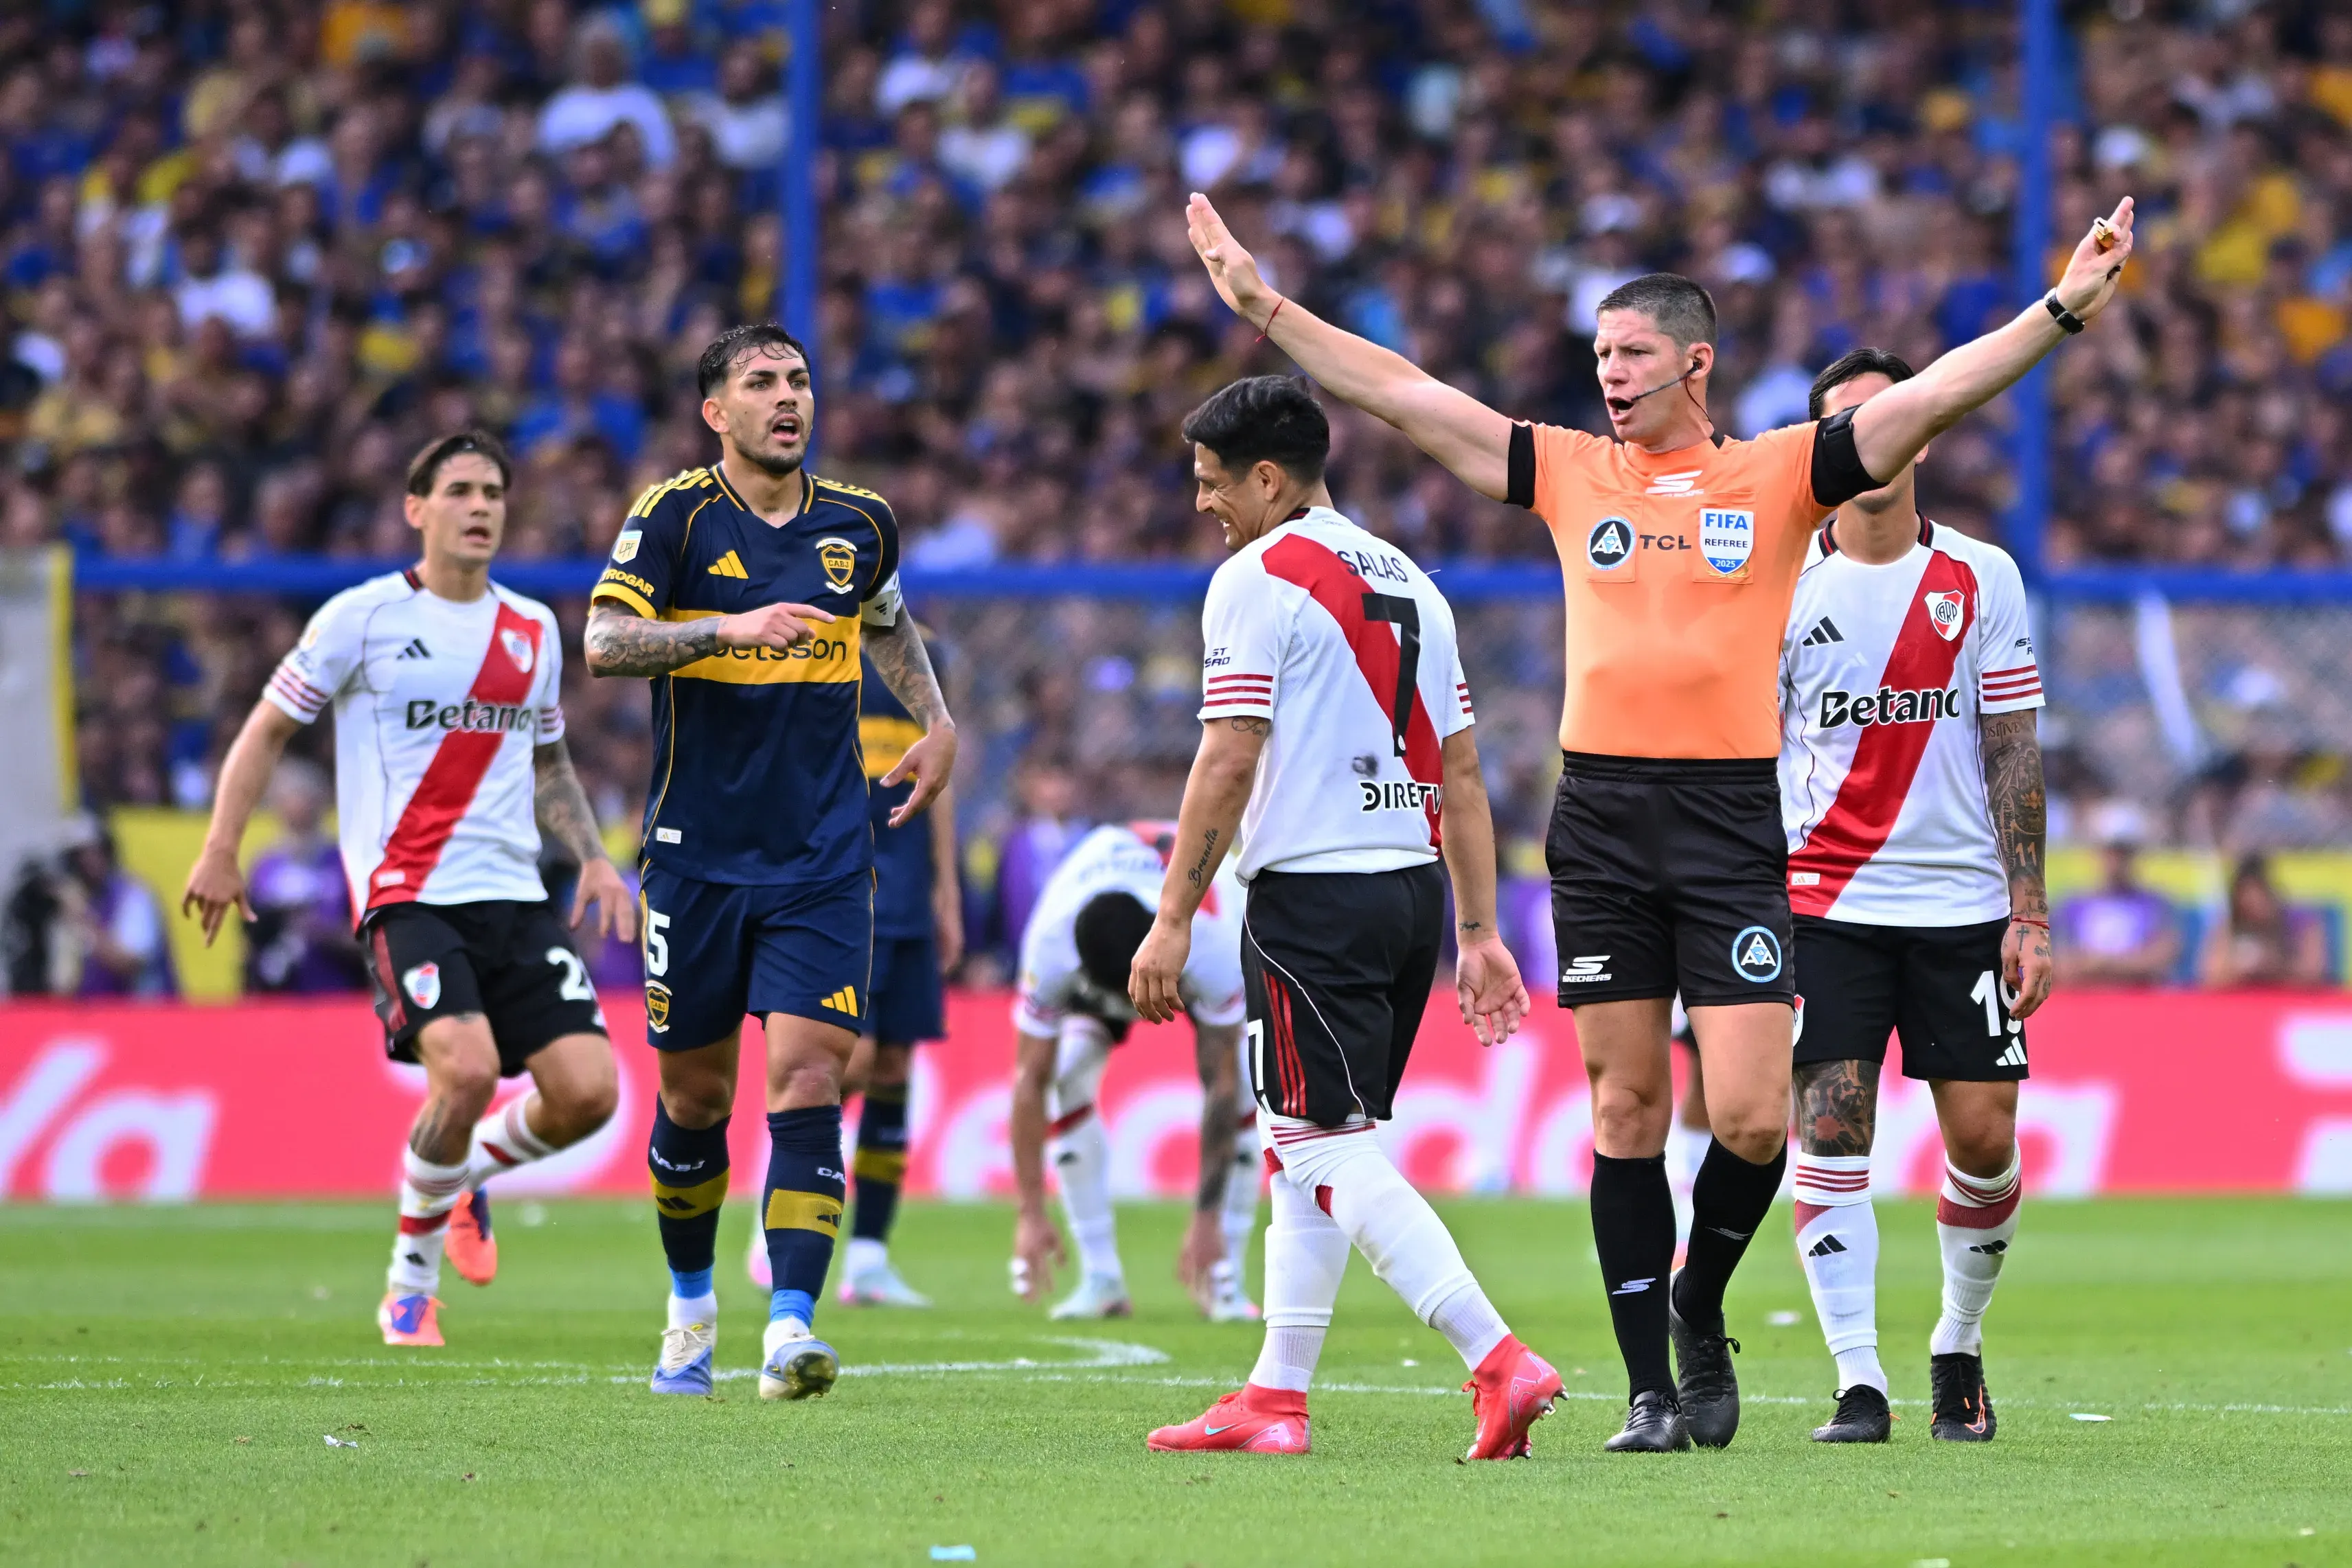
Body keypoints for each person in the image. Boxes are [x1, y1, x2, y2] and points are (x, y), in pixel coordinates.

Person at [1182, 189, 2136, 1452]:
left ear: (1695, 359)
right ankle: (1649, 1388)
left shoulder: (1782, 471)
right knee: (1626, 1112)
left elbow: (1932, 398)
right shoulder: (1575, 470)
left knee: (1752, 1118)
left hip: (1734, 820)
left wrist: (2062, 307)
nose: (1609, 374)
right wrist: (1268, 308)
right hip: (1604, 821)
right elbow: (1405, 396)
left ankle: (1699, 1295)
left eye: (1629, 354)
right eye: (1597, 356)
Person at [1134, 376, 1557, 1461]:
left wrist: (1173, 915)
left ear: (1266, 479)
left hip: (1313, 897)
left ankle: (1497, 1359)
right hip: (1409, 894)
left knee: (1322, 1145)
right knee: (1310, 1148)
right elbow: (1461, 773)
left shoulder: (1256, 577)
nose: (1203, 506)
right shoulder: (1414, 580)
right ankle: (1276, 1397)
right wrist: (1477, 929)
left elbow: (1227, 756)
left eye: (1211, 483)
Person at [182, 431, 632, 1349]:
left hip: (511, 895)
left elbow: (548, 757)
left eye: (494, 492)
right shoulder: (360, 618)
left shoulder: (534, 628)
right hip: (408, 893)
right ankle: (408, 1287)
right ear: (415, 509)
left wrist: (589, 854)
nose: (481, 507)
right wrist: (222, 847)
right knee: (463, 1073)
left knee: (590, 1093)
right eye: (460, 491)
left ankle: (467, 1175)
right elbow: (267, 729)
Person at [583, 323, 955, 1403]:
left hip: (824, 856)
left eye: (797, 380)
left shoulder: (860, 522)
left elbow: (886, 619)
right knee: (696, 1101)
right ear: (718, 413)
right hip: (696, 860)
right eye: (761, 384)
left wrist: (936, 720)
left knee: (809, 1079)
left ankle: (790, 1327)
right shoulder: (673, 517)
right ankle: (690, 1309)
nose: (787, 398)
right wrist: (725, 632)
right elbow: (604, 644)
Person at [1775, 349, 2055, 1446]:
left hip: (1965, 908)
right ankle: (1858, 1381)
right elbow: (1751, 755)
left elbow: (2013, 751)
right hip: (1826, 903)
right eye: (1847, 426)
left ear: (1923, 437)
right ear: (1823, 452)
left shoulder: (1983, 577)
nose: (1873, 441)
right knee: (1830, 1126)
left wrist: (2028, 912)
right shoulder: (1784, 584)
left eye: (1890, 418)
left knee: (1982, 1140)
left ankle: (1956, 1344)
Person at [746, 638, 963, 1307]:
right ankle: (775, 1213)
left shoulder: (926, 651)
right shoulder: (809, 639)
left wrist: (945, 887)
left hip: (907, 886)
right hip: (838, 876)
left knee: (895, 1065)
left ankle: (869, 1257)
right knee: (849, 1061)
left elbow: (940, 771)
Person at [1005, 819, 1259, 1324]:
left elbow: (1220, 1086)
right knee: (1066, 1075)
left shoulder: (1212, 943)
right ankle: (1100, 1279)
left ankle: (1223, 1277)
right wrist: (1030, 1214)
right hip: (1116, 888)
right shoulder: (1051, 943)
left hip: (1194, 920)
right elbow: (1027, 1081)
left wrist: (1205, 1220)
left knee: (1249, 1094)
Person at [242, 758, 367, 994]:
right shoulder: (264, 867)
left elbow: (370, 938)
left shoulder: (343, 862)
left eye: (304, 795)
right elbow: (251, 939)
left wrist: (326, 934)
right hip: (280, 997)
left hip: (339, 993)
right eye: (290, 796)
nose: (298, 805)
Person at [2053, 801, 2181, 986]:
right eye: (2110, 851)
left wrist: (2102, 964)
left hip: (2139, 1001)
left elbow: (2162, 958)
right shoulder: (2073, 905)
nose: (2116, 859)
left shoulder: (2156, 905)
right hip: (2085, 1004)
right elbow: (2062, 965)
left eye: (2123, 852)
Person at [65, 822, 174, 998]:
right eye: (79, 856)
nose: (87, 862)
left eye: (95, 852)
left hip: (141, 1012)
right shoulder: (80, 898)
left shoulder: (133, 897)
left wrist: (82, 919)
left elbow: (128, 964)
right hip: (94, 1013)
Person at [2197, 852, 2330, 988]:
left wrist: (2276, 967)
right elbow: (2211, 977)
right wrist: (2240, 969)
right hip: (2245, 1000)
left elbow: (2313, 972)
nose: (2255, 908)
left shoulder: (2301, 921)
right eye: (2247, 904)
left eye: (2259, 900)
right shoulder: (2231, 924)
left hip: (2290, 998)